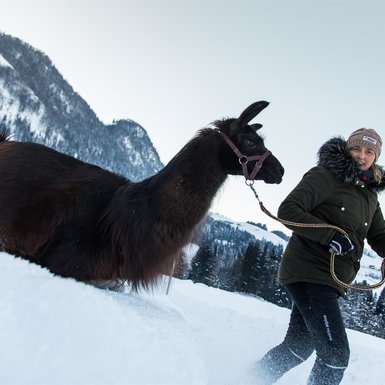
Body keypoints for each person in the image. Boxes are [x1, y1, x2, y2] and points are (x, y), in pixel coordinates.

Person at [254, 128, 385, 385]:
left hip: (329, 279)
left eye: (369, 151)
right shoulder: (326, 175)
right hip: (309, 271)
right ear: (347, 150)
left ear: (375, 157)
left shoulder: (369, 196)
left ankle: (248, 380)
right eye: (356, 149)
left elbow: (379, 235)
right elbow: (288, 209)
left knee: (298, 347)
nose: (361, 155)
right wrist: (330, 236)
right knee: (335, 355)